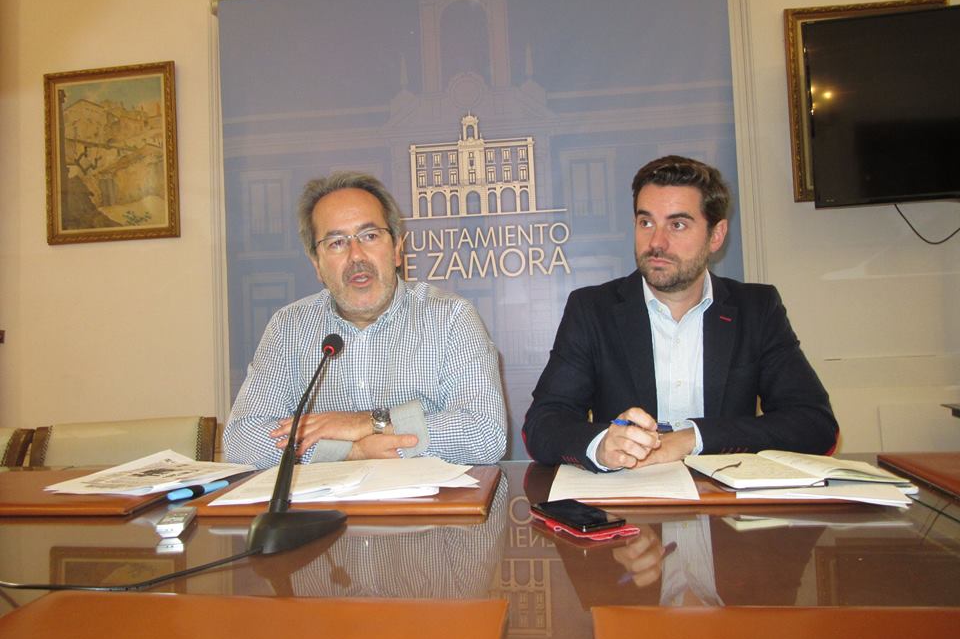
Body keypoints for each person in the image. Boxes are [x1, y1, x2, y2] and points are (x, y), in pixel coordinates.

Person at [522, 155, 837, 472]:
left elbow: (815, 424)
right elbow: (542, 425)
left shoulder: (756, 309)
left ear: (716, 235)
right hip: (631, 505)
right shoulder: (592, 310)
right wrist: (601, 445)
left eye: (677, 224)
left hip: (723, 502)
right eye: (646, 222)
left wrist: (693, 438)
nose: (656, 242)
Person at [224, 172, 507, 468]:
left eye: (370, 236)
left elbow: (485, 433)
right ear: (316, 264)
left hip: (429, 510)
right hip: (326, 509)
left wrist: (367, 423)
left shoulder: (450, 317)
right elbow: (243, 440)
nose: (356, 255)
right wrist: (350, 452)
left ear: (397, 249)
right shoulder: (289, 327)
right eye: (336, 243)